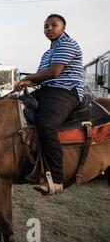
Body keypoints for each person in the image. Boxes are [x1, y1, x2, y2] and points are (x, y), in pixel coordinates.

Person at [16, 14, 84, 196]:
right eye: (46, 26)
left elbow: (54, 72)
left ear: (63, 27)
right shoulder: (47, 53)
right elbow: (42, 76)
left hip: (66, 90)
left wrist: (28, 78)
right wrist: (27, 83)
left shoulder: (68, 44)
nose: (49, 28)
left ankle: (57, 178)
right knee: (13, 108)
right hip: (48, 90)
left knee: (46, 124)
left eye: (54, 25)